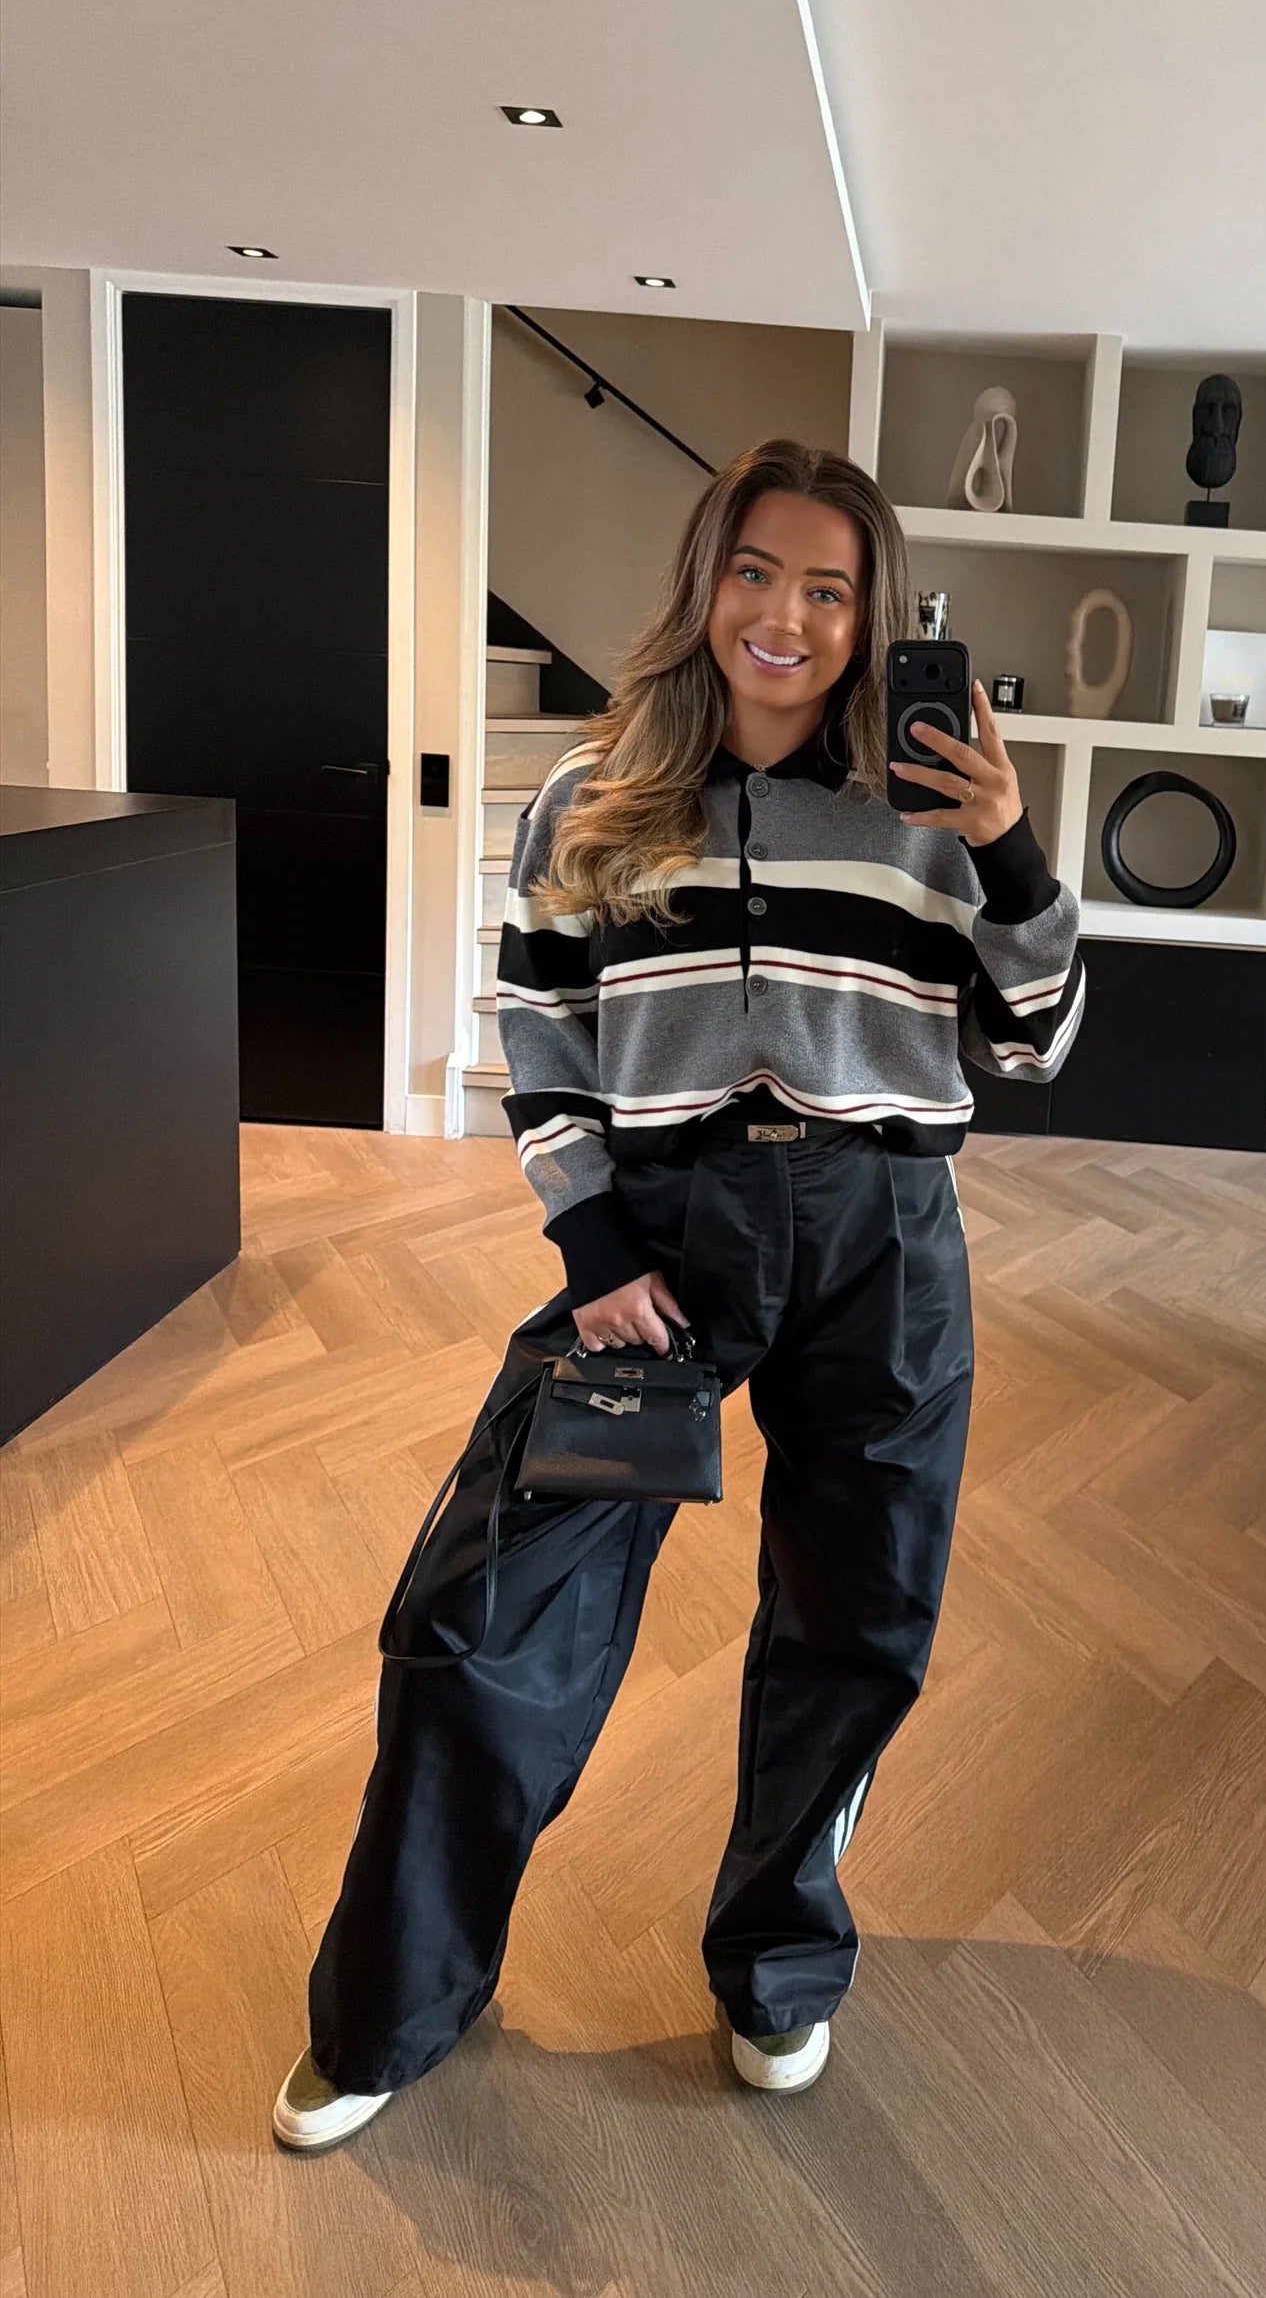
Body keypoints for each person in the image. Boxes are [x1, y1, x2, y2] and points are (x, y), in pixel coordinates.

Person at [273, 438, 1084, 2147]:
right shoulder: (593, 792)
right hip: (660, 1242)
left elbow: (1035, 1041)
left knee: (856, 1621)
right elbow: (540, 1026)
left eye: (829, 588)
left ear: (870, 617)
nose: (784, 615)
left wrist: (1010, 854)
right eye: (754, 572)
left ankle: (778, 1962)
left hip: (881, 1240)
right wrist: (593, 1247)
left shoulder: (931, 810)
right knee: (486, 1617)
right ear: (706, 582)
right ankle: (394, 2005)